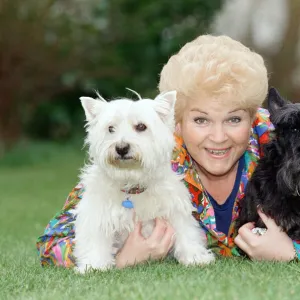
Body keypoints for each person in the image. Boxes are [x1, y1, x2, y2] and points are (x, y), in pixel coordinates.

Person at [36, 35, 300, 268]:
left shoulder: (279, 140)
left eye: (234, 120)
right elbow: (51, 244)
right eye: (201, 120)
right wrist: (122, 257)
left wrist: (292, 251)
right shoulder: (148, 159)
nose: (218, 137)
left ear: (254, 116)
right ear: (176, 121)